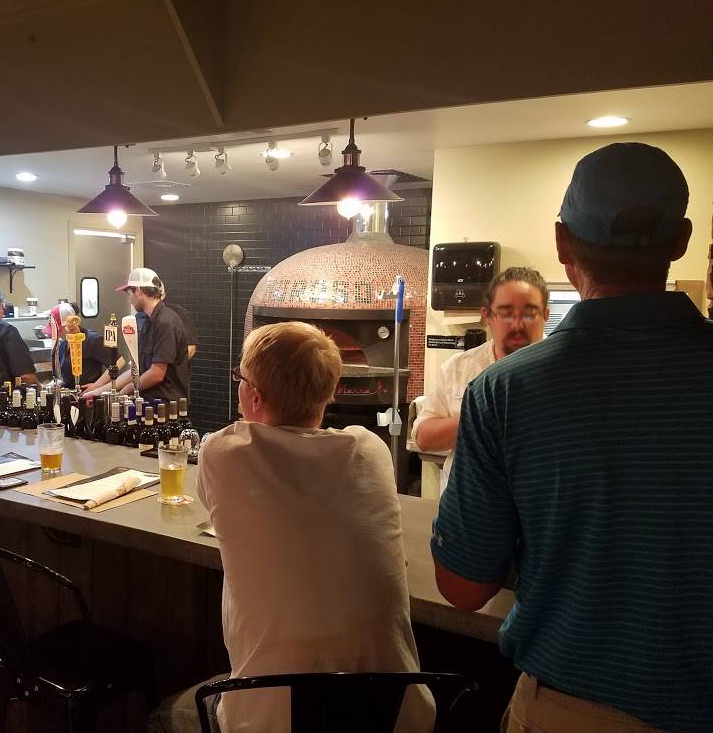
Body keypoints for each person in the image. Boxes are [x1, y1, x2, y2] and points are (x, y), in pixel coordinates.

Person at [432, 142, 712, 733]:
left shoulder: (506, 390)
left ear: (562, 244)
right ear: (682, 240)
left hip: (574, 706)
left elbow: (462, 586)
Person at [150, 321, 434, 733]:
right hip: (393, 716)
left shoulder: (222, 453)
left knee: (166, 716)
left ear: (254, 396)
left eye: (240, 379)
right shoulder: (371, 449)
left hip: (268, 721)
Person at [411, 267, 549, 492]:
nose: (517, 325)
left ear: (546, 315)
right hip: (466, 502)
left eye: (529, 313)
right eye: (505, 313)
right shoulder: (459, 368)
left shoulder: (565, 371)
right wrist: (481, 417)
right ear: (487, 316)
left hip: (539, 502)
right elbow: (423, 438)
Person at [83, 268, 189, 402]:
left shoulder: (165, 322)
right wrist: (98, 391)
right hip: (147, 403)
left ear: (138, 290)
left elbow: (157, 373)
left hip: (166, 406)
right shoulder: (145, 321)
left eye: (129, 294)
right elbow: (135, 370)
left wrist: (125, 390)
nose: (129, 301)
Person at [48, 303, 109, 388]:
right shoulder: (63, 344)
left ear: (70, 325)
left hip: (87, 393)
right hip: (69, 392)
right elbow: (65, 377)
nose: (57, 334)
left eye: (59, 330)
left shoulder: (92, 340)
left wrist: (97, 385)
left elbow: (117, 362)